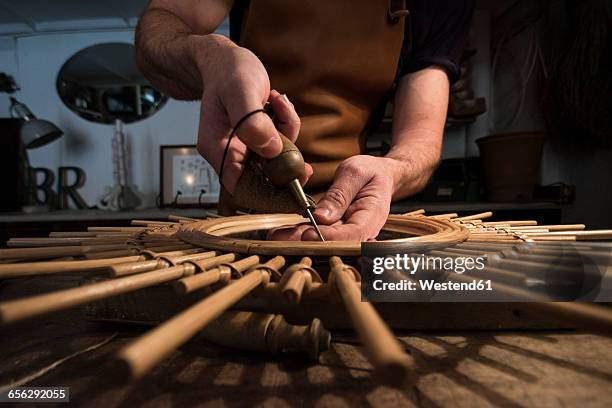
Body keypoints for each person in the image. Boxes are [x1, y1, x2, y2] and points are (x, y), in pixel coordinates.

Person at [135, 0, 474, 241]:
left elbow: (421, 143)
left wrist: (393, 171)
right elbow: (158, 32)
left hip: (349, 224)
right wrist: (208, 56)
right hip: (244, 217)